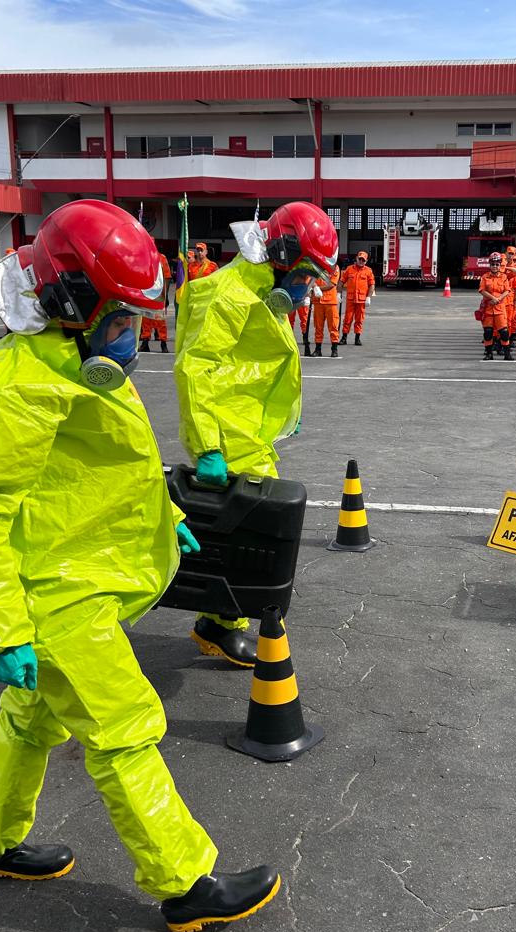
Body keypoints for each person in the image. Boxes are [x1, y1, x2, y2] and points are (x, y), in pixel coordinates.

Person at [0, 200, 280, 932]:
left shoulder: (73, 367)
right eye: (121, 319)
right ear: (72, 304)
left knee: (31, 723)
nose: (133, 337)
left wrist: (164, 516)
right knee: (125, 726)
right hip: (56, 598)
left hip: (71, 581)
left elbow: (97, 472)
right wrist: (1, 627)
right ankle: (185, 883)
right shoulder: (22, 389)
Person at [174, 201, 333, 663]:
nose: (307, 288)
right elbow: (196, 367)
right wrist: (208, 446)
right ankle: (221, 624)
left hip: (245, 425)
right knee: (251, 526)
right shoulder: (229, 295)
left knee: (246, 524)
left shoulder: (260, 289)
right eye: (304, 275)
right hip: (226, 431)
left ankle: (220, 620)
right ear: (281, 256)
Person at [478, 252, 512, 361]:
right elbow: (482, 290)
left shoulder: (504, 277)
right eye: (493, 264)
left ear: (500, 265)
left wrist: (498, 299)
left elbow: (507, 290)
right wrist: (492, 298)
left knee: (504, 332)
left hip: (500, 309)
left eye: (497, 264)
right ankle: (489, 354)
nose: (495, 266)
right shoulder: (485, 277)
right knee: (488, 332)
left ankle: (507, 354)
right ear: (490, 265)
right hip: (488, 308)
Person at [339, 251, 375, 345]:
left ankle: (357, 338)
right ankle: (344, 338)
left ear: (366, 261)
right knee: (347, 319)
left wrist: (368, 297)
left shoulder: (368, 271)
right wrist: (338, 293)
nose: (361, 261)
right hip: (351, 299)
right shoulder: (349, 269)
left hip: (361, 300)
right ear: (356, 258)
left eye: (363, 260)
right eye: (360, 259)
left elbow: (372, 285)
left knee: (359, 319)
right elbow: (341, 281)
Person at [140, 251, 172, 352]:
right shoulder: (143, 256)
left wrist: (165, 295)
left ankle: (163, 343)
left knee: (160, 319)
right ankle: (145, 342)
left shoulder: (162, 258)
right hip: (147, 291)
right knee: (146, 319)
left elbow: (167, 277)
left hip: (158, 293)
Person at [311, 264, 341, 358]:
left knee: (333, 326)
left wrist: (317, 288)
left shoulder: (334, 267)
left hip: (330, 301)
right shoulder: (315, 265)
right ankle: (318, 349)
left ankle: (334, 349)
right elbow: (310, 279)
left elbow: (332, 284)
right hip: (318, 301)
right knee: (318, 327)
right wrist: (314, 286)